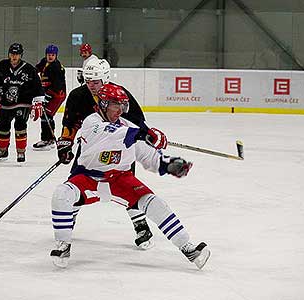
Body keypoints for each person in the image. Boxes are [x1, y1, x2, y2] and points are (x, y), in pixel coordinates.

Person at [50, 83, 210, 269]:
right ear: (102, 104)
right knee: (61, 194)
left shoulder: (128, 126)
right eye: (115, 105)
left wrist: (169, 165)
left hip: (120, 179)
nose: (120, 110)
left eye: (123, 105)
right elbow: (112, 134)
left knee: (155, 203)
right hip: (88, 178)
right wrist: (143, 133)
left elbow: (148, 156)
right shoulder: (91, 123)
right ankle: (63, 245)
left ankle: (189, 248)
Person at [56, 58, 166, 250]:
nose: (91, 86)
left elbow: (137, 121)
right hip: (92, 149)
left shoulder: (119, 94)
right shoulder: (77, 95)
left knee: (128, 187)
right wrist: (66, 143)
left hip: (121, 148)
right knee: (75, 183)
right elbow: (70, 123)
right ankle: (69, 218)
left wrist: (147, 136)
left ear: (105, 79)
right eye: (88, 81)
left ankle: (141, 226)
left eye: (95, 82)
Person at [0, 43, 44, 163]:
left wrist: (38, 102)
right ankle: (3, 151)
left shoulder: (29, 69)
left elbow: (38, 87)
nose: (14, 57)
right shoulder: (2, 66)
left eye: (17, 54)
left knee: (20, 125)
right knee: (2, 125)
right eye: (12, 54)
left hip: (23, 102)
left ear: (21, 55)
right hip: (6, 102)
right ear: (9, 54)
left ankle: (20, 152)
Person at [32, 44, 67, 150]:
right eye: (48, 54)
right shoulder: (44, 61)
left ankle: (48, 139)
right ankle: (49, 139)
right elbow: (36, 69)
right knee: (45, 114)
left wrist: (47, 96)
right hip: (48, 92)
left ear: (56, 55)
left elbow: (57, 86)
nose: (50, 57)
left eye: (52, 55)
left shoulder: (57, 67)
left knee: (47, 114)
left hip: (57, 95)